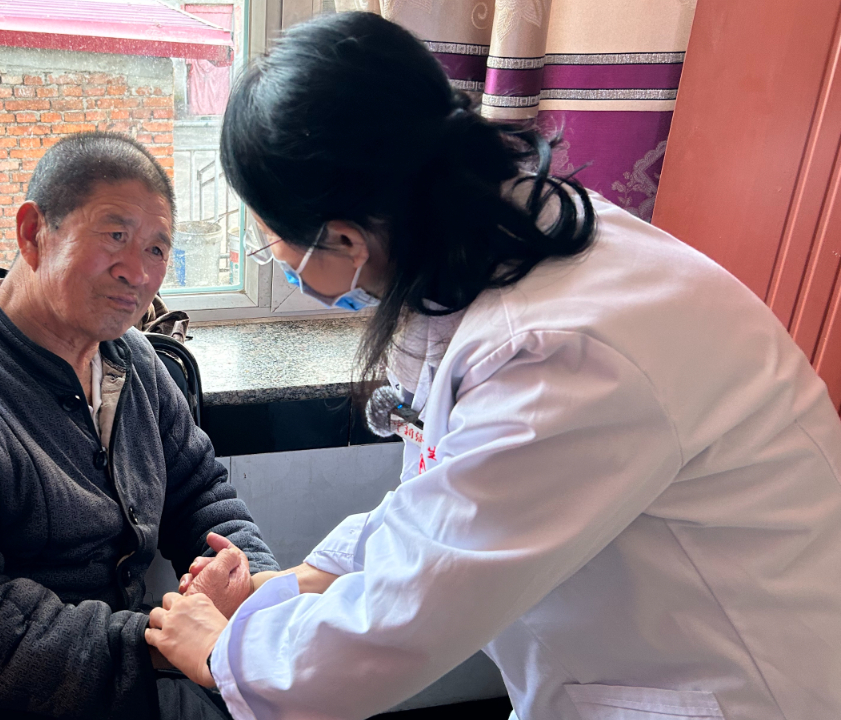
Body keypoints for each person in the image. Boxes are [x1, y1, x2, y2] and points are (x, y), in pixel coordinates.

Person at [146, 12, 841, 720]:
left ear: (346, 239)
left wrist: (224, 649)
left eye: (274, 244)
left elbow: (398, 624)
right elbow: (446, 498)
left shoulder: (561, 352)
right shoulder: (491, 238)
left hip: (736, 682)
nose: (283, 264)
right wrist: (293, 585)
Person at [0, 132, 278, 720]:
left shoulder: (133, 360)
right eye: (115, 235)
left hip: (106, 669)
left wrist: (249, 585)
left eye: (157, 250)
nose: (137, 273)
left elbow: (201, 490)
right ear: (32, 232)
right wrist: (165, 644)